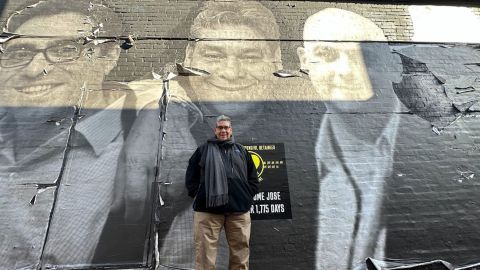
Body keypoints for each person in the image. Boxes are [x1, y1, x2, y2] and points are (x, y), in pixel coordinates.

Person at [0, 0, 134, 268]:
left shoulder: (150, 150)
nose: (34, 69)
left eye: (64, 50)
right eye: (19, 53)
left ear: (108, 56)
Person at [297, 8, 402, 269]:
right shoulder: (293, 151)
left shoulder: (440, 148)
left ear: (394, 64)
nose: (346, 69)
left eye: (366, 55)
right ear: (304, 61)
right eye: (327, 54)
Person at [185, 115, 259, 270]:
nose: (223, 130)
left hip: (238, 211)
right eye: (220, 127)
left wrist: (246, 195)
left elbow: (252, 176)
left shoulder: (241, 151)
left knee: (240, 254)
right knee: (205, 255)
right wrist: (199, 193)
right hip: (208, 211)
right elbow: (191, 175)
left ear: (231, 130)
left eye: (226, 127)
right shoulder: (203, 150)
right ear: (215, 130)